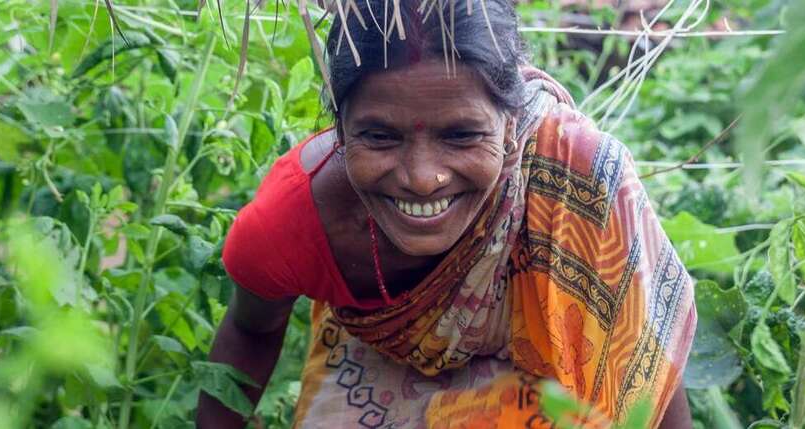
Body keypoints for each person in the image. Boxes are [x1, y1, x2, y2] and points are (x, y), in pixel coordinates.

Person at [198, 0, 697, 427]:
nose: (422, 178)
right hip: (376, 374)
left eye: (461, 136)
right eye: (380, 136)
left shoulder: (576, 175)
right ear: (340, 133)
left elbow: (648, 361)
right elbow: (250, 331)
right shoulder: (292, 223)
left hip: (546, 390)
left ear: (510, 126)